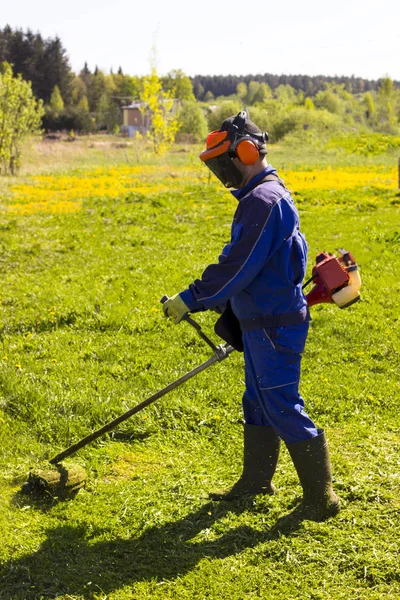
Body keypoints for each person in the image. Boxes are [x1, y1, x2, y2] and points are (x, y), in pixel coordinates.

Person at [163, 111, 340, 521]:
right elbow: (250, 267)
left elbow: (238, 266)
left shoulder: (263, 200)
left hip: (275, 325)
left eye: (226, 162)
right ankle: (257, 480)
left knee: (280, 403)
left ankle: (321, 498)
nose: (223, 173)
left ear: (246, 152)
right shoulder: (259, 196)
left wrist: (193, 297)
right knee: (258, 400)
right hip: (260, 322)